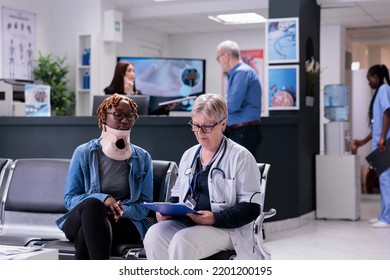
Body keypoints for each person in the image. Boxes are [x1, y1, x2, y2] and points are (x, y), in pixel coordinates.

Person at [143, 93, 262, 259]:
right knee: (154, 234)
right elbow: (177, 195)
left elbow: (252, 208)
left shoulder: (241, 157)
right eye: (195, 125)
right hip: (190, 222)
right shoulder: (189, 155)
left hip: (227, 229)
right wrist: (167, 210)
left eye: (206, 127)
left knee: (183, 241)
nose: (199, 132)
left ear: (223, 124)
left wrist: (215, 218)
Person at [55, 93, 153, 259]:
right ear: (103, 118)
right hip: (81, 218)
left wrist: (119, 210)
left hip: (123, 223)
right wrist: (104, 199)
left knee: (89, 230)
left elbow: (145, 206)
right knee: (93, 206)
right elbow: (70, 199)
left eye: (130, 116)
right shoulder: (83, 153)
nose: (125, 120)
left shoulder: (142, 157)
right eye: (118, 115)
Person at [350, 64, 390, 228]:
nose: (368, 83)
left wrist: (381, 138)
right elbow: (376, 125)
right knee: (383, 180)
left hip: (385, 144)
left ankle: (387, 218)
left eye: (369, 79)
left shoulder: (384, 89)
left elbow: (388, 113)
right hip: (380, 142)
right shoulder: (380, 92)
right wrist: (363, 141)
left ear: (376, 77)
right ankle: (383, 215)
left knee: (386, 180)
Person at [215, 40, 263, 159]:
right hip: (241, 132)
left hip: (243, 132)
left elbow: (233, 105)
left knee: (242, 173)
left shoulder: (241, 72)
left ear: (225, 56)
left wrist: (213, 107)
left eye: (218, 58)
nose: (219, 63)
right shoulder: (239, 73)